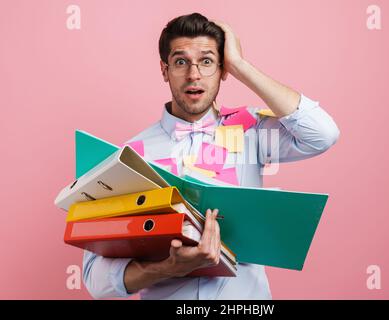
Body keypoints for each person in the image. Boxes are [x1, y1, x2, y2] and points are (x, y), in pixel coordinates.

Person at [82, 12, 340, 300]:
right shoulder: (130, 157)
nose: (194, 75)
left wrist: (241, 66)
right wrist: (168, 268)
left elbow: (323, 134)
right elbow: (95, 280)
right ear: (165, 70)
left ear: (222, 69)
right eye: (181, 62)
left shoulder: (251, 130)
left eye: (206, 62)